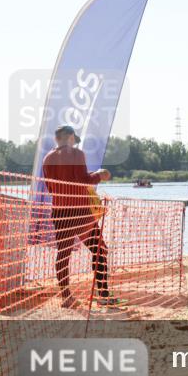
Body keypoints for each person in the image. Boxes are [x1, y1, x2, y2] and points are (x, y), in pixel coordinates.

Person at [41, 125, 117, 309]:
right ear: (69, 137)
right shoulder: (76, 153)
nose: (74, 142)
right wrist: (99, 175)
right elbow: (83, 180)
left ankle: (66, 297)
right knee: (100, 250)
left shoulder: (47, 159)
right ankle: (103, 295)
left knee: (63, 255)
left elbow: (51, 188)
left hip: (60, 212)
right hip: (80, 212)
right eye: (74, 139)